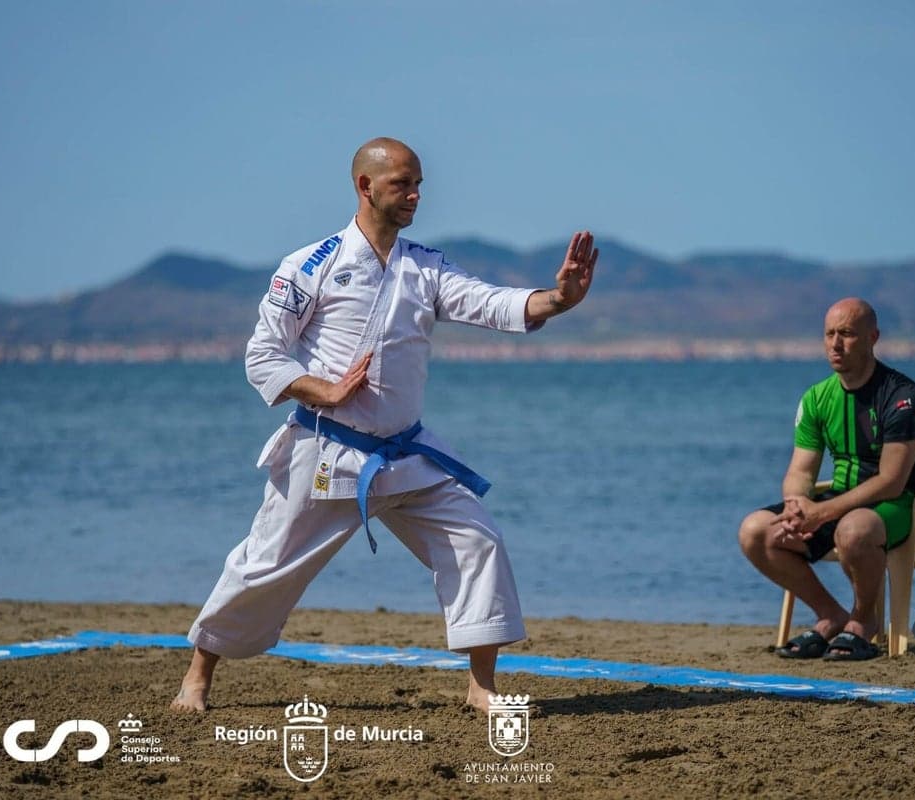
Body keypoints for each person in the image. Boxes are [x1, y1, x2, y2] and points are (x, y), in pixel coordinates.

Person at [171, 137, 598, 712]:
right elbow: (263, 356)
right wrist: (323, 390)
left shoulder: (425, 267)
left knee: (476, 540)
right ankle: (197, 676)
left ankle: (482, 687)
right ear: (365, 186)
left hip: (406, 454)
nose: (416, 195)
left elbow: (490, 303)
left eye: (419, 184)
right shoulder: (310, 266)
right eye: (402, 184)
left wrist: (557, 299)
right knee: (264, 566)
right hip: (326, 451)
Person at [737, 298, 915, 661]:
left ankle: (862, 622)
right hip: (840, 504)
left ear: (872, 338)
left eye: (846, 334)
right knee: (755, 531)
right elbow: (801, 471)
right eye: (829, 334)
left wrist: (821, 514)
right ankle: (830, 615)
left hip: (902, 508)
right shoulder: (817, 398)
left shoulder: (902, 397)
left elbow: (891, 481)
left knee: (853, 530)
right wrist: (797, 507)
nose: (835, 344)